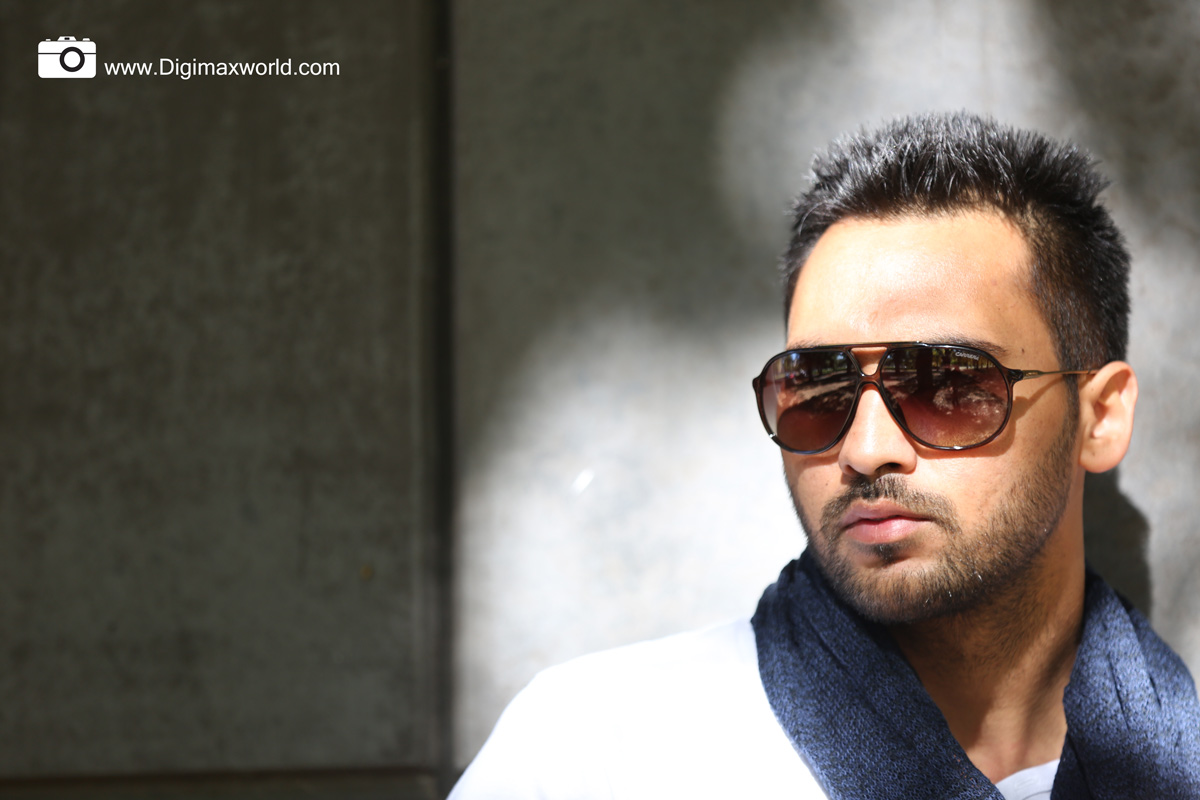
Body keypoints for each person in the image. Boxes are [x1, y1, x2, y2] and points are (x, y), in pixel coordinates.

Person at [449, 112, 1200, 799]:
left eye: (946, 385)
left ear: (1100, 417)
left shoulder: (1175, 760)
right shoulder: (589, 755)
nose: (866, 449)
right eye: (817, 388)